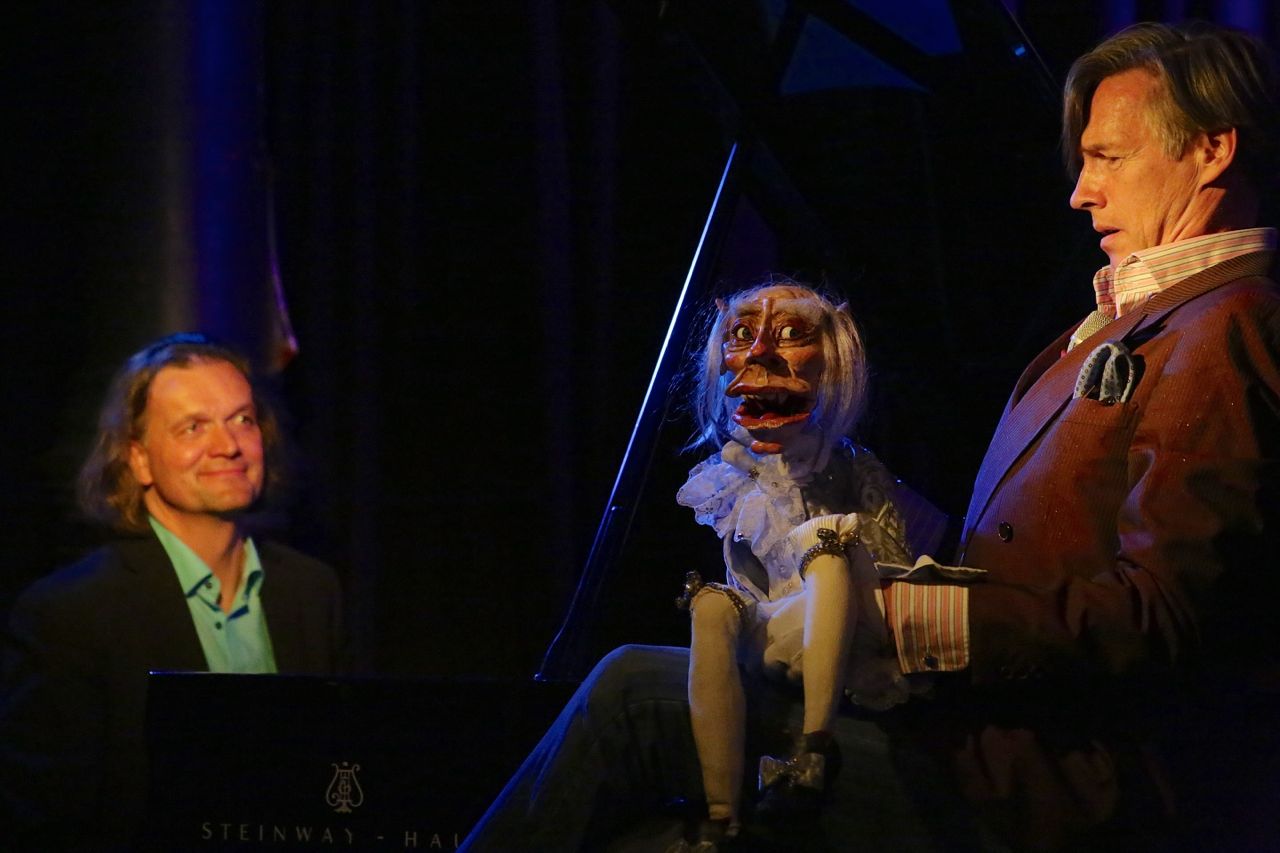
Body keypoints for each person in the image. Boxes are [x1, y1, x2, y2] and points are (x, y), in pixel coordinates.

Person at [460, 20, 1280, 852]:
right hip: (980, 739)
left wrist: (901, 615)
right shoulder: (1144, 320)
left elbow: (1161, 615)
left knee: (632, 695)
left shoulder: (1226, 327)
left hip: (1046, 786)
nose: (1082, 191)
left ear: (1211, 151)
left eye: (1108, 157)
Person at [0, 333, 347, 851]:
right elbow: (46, 824)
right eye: (193, 427)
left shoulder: (310, 591)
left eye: (242, 420)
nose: (228, 446)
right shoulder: (70, 614)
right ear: (138, 459)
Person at [671, 281, 919, 847]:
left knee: (826, 548)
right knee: (709, 604)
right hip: (776, 633)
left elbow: (891, 565)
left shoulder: (849, 466)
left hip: (848, 623)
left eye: (789, 334)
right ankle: (720, 812)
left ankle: (814, 750)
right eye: (741, 334)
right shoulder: (729, 475)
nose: (759, 352)